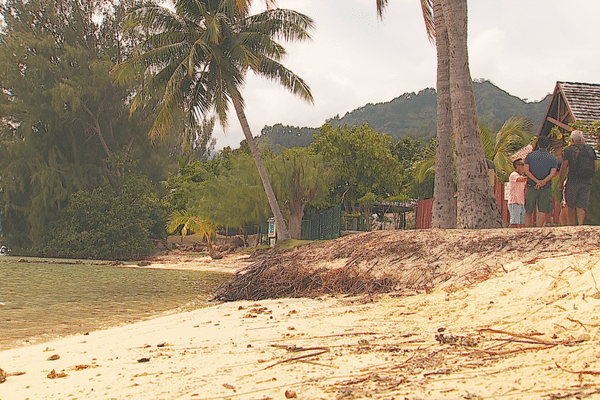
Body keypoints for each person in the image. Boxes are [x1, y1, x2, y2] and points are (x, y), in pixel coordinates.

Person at [558, 130, 598, 225]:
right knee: (581, 205)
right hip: (587, 181)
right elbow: (596, 167)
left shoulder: (569, 150)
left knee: (570, 205)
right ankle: (580, 225)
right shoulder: (591, 150)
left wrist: (560, 182)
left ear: (572, 140)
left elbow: (564, 166)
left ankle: (572, 225)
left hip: (573, 180)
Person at [523, 135, 558, 227]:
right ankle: (538, 228)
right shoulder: (552, 157)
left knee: (529, 210)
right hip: (545, 187)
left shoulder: (530, 156)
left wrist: (536, 181)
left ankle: (527, 229)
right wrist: (543, 182)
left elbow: (526, 170)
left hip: (531, 186)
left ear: (538, 144)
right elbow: (553, 173)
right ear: (548, 145)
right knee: (543, 210)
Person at [507, 158, 527, 227]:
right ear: (517, 166)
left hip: (521, 202)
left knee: (521, 223)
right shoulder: (514, 175)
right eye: (522, 164)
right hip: (514, 202)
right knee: (514, 223)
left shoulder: (521, 176)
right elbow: (520, 180)